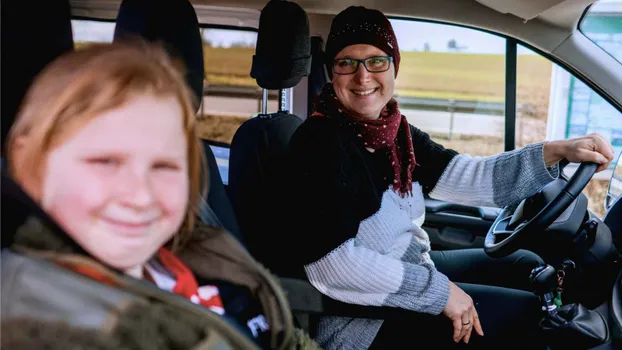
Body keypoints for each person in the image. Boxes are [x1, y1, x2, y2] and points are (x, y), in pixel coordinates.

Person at [283, 6, 616, 350]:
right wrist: (441, 293)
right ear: (332, 72)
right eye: (346, 63)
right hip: (362, 321)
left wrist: (554, 151)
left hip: (407, 268)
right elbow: (333, 265)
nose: (363, 76)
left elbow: (466, 176)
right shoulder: (319, 144)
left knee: (526, 265)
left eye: (376, 61)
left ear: (394, 66)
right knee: (529, 317)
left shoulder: (394, 132)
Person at [1, 42, 320, 350]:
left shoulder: (194, 252)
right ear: (30, 163)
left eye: (165, 166)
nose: (141, 196)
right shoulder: (41, 321)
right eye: (105, 162)